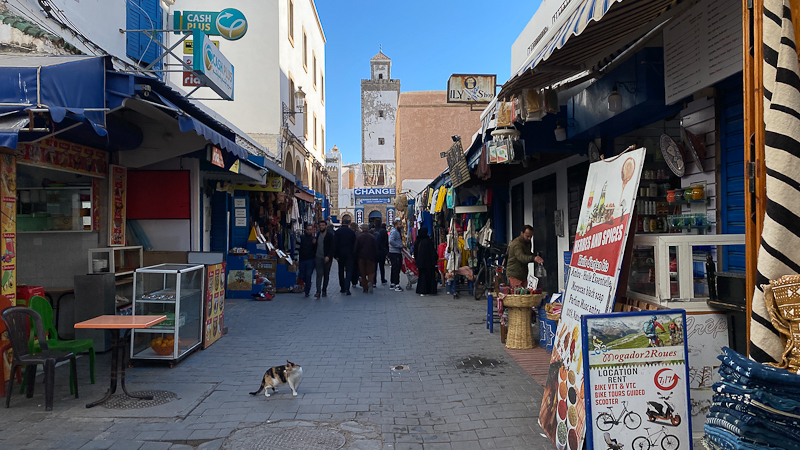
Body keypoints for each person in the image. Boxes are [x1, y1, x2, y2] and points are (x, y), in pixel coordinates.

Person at [334, 216, 356, 295]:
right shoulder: (351, 232)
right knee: (349, 271)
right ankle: (347, 287)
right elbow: (354, 244)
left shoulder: (338, 232)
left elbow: (335, 244)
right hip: (349, 254)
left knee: (341, 270)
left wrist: (335, 255)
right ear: (349, 223)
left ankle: (342, 287)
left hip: (340, 254)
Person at [353, 223, 378, 294]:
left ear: (362, 229)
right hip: (370, 257)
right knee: (371, 272)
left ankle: (365, 287)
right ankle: (370, 281)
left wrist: (356, 257)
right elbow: (375, 248)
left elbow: (356, 248)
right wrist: (375, 257)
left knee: (363, 273)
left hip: (361, 257)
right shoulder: (372, 237)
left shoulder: (359, 237)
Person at [313, 219, 335, 298]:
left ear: (326, 226)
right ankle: (318, 291)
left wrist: (328, 256)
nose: (321, 227)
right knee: (319, 274)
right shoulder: (318, 235)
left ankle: (324, 290)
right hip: (318, 257)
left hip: (327, 258)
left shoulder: (329, 235)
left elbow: (332, 247)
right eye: (320, 225)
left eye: (323, 225)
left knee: (326, 274)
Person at [414, 227, 438, 296]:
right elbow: (433, 252)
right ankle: (430, 290)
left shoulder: (417, 241)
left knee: (422, 277)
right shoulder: (428, 241)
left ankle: (422, 290)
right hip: (429, 263)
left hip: (421, 263)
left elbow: (415, 252)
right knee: (429, 276)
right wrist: (435, 260)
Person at [297, 223, 316, 298]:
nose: (309, 231)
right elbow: (297, 247)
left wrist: (315, 244)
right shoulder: (301, 238)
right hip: (302, 259)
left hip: (310, 260)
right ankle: (307, 284)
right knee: (302, 275)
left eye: (310, 230)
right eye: (308, 230)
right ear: (305, 230)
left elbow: (316, 249)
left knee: (308, 275)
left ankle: (307, 290)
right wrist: (295, 258)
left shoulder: (314, 239)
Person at [388, 219, 404, 292]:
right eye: (400, 224)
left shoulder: (396, 231)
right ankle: (396, 284)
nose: (401, 225)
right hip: (395, 252)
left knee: (394, 268)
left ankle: (393, 283)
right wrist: (399, 245)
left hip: (395, 251)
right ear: (396, 225)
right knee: (396, 268)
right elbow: (391, 241)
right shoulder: (394, 231)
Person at [348, 221, 361, 288]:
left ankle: (353, 281)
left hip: (351, 252)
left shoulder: (350, 234)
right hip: (359, 252)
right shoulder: (359, 234)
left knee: (352, 268)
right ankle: (360, 280)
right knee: (359, 267)